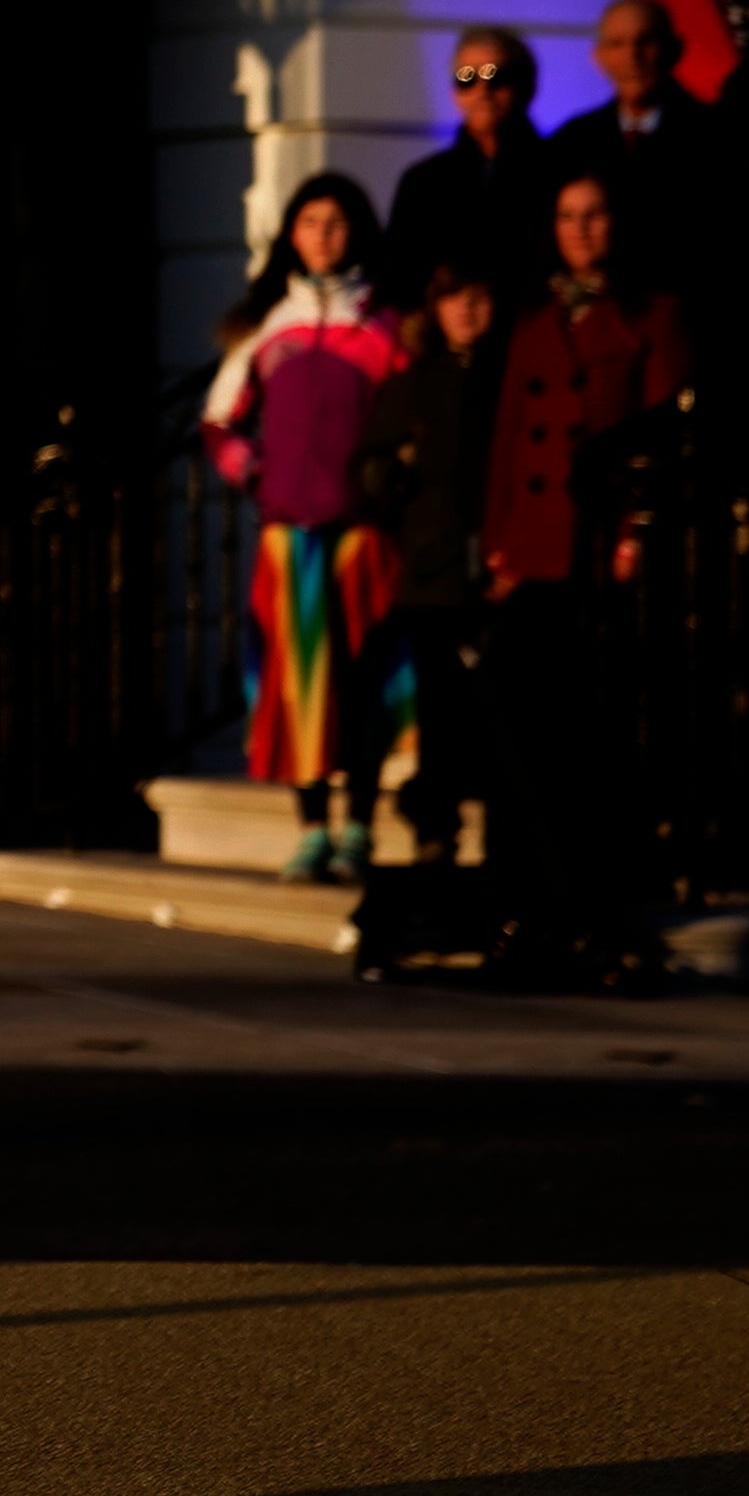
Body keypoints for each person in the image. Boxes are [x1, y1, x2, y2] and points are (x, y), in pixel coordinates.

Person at [474, 171, 694, 978]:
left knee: (588, 750)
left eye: (596, 214)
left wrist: (638, 534)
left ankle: (592, 915)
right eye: (567, 216)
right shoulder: (531, 326)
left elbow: (664, 441)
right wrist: (496, 549)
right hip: (533, 557)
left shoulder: (652, 315)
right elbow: (505, 446)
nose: (582, 229)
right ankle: (520, 913)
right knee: (518, 741)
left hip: (603, 559)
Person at [207, 174, 405, 882]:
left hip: (364, 537)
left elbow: (413, 421)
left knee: (367, 685)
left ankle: (358, 827)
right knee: (300, 690)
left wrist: (393, 483)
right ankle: (312, 828)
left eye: (338, 222)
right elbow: (221, 422)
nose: (324, 236)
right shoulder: (265, 325)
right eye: (311, 222)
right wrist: (257, 474)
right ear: (292, 234)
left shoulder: (385, 325)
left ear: (359, 233)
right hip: (288, 540)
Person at [345, 265, 506, 861]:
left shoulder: (512, 375)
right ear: (434, 310)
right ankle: (435, 836)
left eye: (479, 294)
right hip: (434, 575)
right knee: (438, 718)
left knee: (501, 713)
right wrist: (390, 474)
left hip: (504, 571)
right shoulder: (416, 384)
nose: (467, 310)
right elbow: (367, 464)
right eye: (453, 298)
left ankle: (505, 838)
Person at [550, 0, 743, 302]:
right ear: (599, 57)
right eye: (618, 44)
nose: (633, 56)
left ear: (673, 50)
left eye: (646, 41)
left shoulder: (718, 138)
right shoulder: (572, 141)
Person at [388, 25, 559, 304]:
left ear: (526, 86)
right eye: (467, 78)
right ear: (455, 92)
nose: (483, 89)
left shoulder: (560, 170)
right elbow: (402, 280)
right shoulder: (423, 182)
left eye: (496, 76)